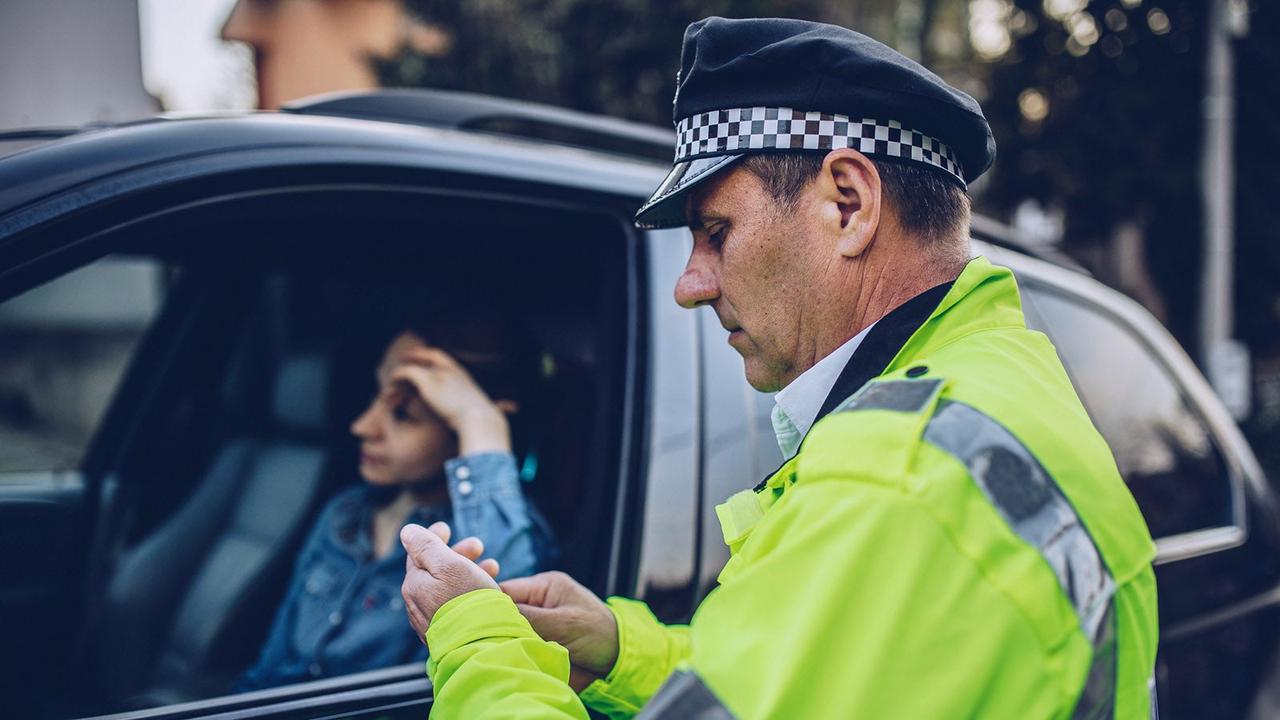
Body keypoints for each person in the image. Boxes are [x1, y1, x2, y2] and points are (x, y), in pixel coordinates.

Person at [396, 17, 1159, 719]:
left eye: (716, 231)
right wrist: (625, 651)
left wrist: (478, 641)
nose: (689, 285)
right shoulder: (994, 390)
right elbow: (827, 684)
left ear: (849, 204)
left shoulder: (895, 479)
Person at [236, 317, 556, 690]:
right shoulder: (345, 513)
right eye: (376, 393)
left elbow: (499, 640)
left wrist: (479, 419)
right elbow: (269, 668)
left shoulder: (508, 537)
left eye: (403, 414)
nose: (362, 426)